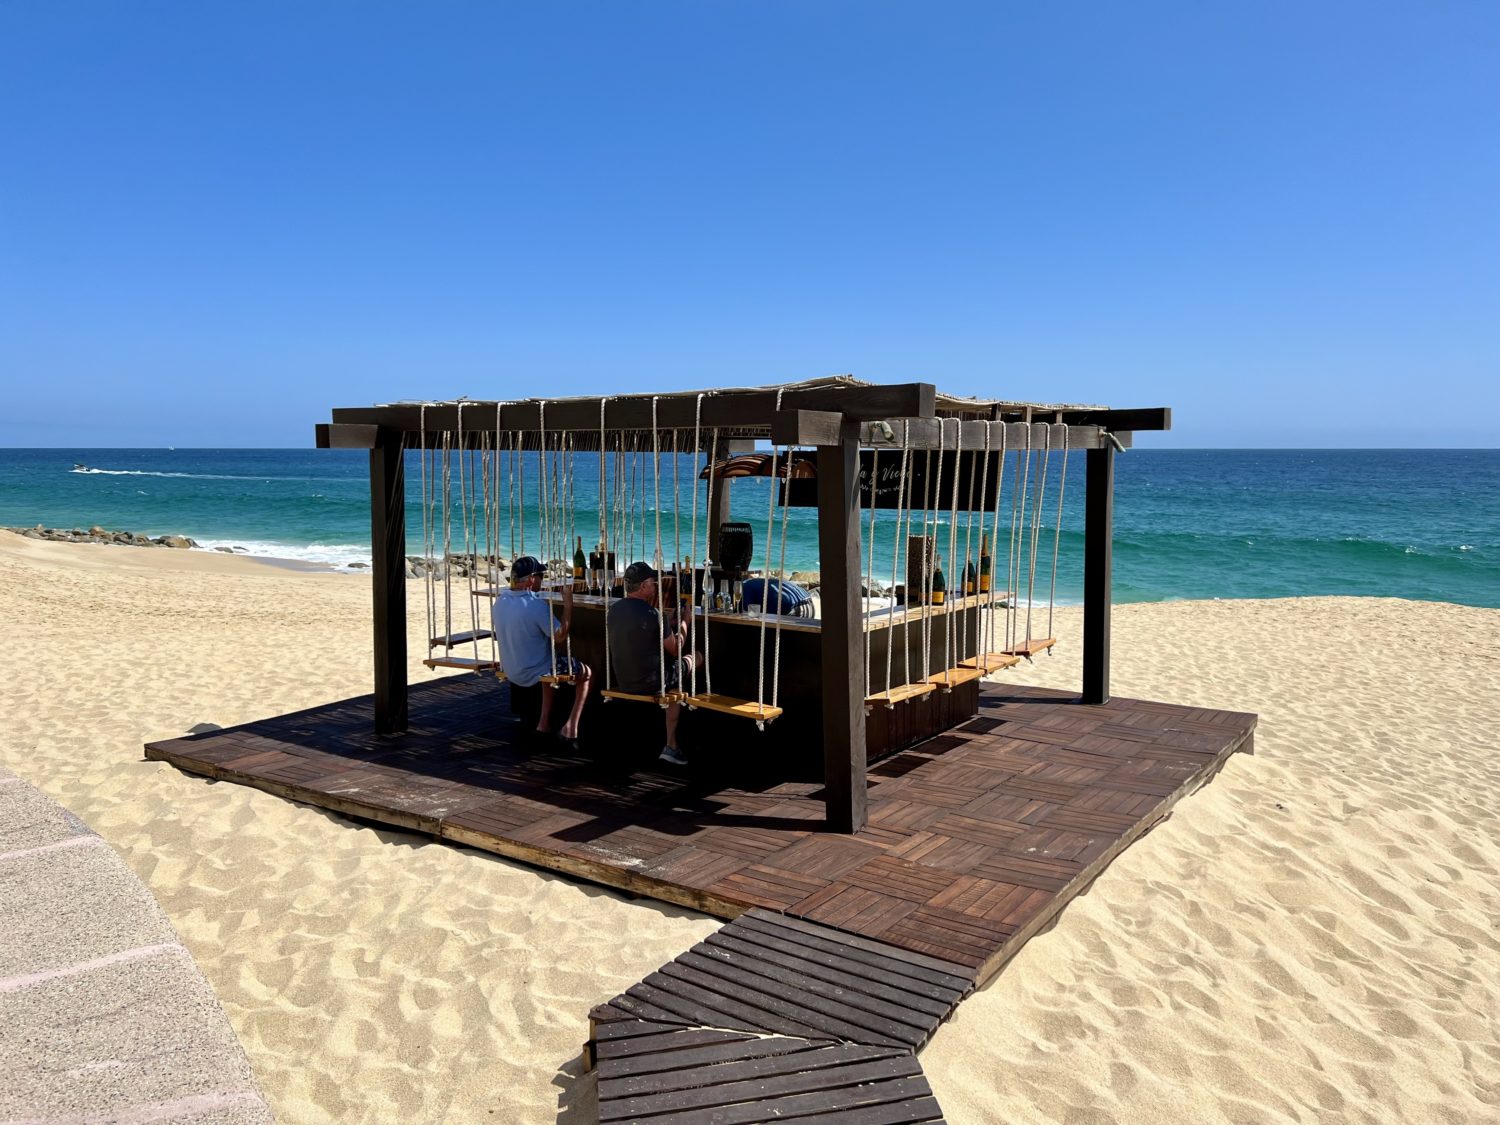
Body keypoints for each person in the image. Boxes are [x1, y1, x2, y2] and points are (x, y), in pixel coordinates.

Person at [606, 561, 704, 766]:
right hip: (651, 683)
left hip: (624, 680)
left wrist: (667, 623)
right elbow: (676, 649)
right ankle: (672, 744)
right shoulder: (653, 615)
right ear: (643, 587)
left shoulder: (613, 610)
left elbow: (641, 630)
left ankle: (670, 743)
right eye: (653, 582)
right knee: (695, 658)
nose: (656, 586)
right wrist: (686, 621)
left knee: (673, 675)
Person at [491, 555, 592, 744]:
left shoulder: (500, 601)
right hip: (534, 670)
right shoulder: (535, 605)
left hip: (511, 669)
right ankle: (571, 727)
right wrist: (568, 605)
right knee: (586, 673)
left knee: (548, 660)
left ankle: (544, 723)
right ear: (531, 579)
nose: (542, 580)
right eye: (541, 576)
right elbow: (560, 636)